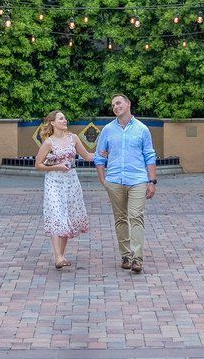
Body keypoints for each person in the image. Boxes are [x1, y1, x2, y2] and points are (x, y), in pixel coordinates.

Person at [94, 93, 157, 274]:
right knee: (120, 219)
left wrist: (151, 181)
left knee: (136, 216)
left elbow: (149, 156)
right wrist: (102, 179)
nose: (115, 107)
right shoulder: (107, 130)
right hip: (114, 181)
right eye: (113, 105)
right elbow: (99, 155)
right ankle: (126, 256)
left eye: (118, 103)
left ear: (128, 104)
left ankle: (137, 258)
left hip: (137, 180)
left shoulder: (142, 129)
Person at [34, 110, 94, 269]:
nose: (65, 120)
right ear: (53, 122)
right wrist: (57, 167)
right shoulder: (48, 142)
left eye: (65, 118)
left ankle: (60, 255)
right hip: (54, 181)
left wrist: (107, 152)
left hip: (71, 181)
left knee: (67, 215)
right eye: (61, 118)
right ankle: (58, 257)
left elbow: (88, 156)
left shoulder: (73, 138)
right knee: (56, 214)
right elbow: (38, 165)